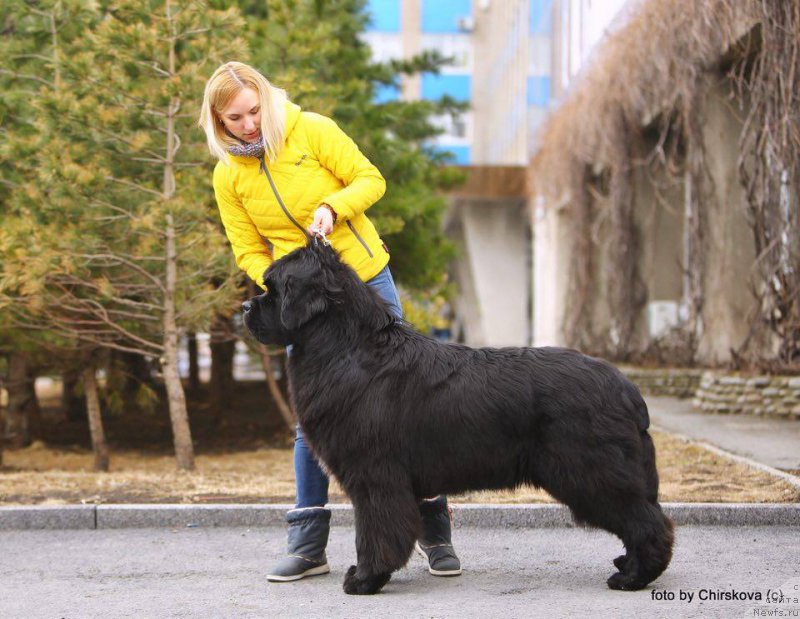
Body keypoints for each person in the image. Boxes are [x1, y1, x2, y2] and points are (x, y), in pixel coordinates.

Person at [198, 61, 461, 582]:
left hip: (366, 283)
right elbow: (247, 249)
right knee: (314, 420)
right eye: (236, 118)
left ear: (267, 101)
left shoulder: (312, 129)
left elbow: (371, 179)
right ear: (217, 122)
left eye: (254, 111)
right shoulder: (228, 175)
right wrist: (285, 280)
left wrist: (332, 207)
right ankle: (308, 543)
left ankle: (435, 534)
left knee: (411, 407)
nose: (249, 124)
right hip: (308, 309)